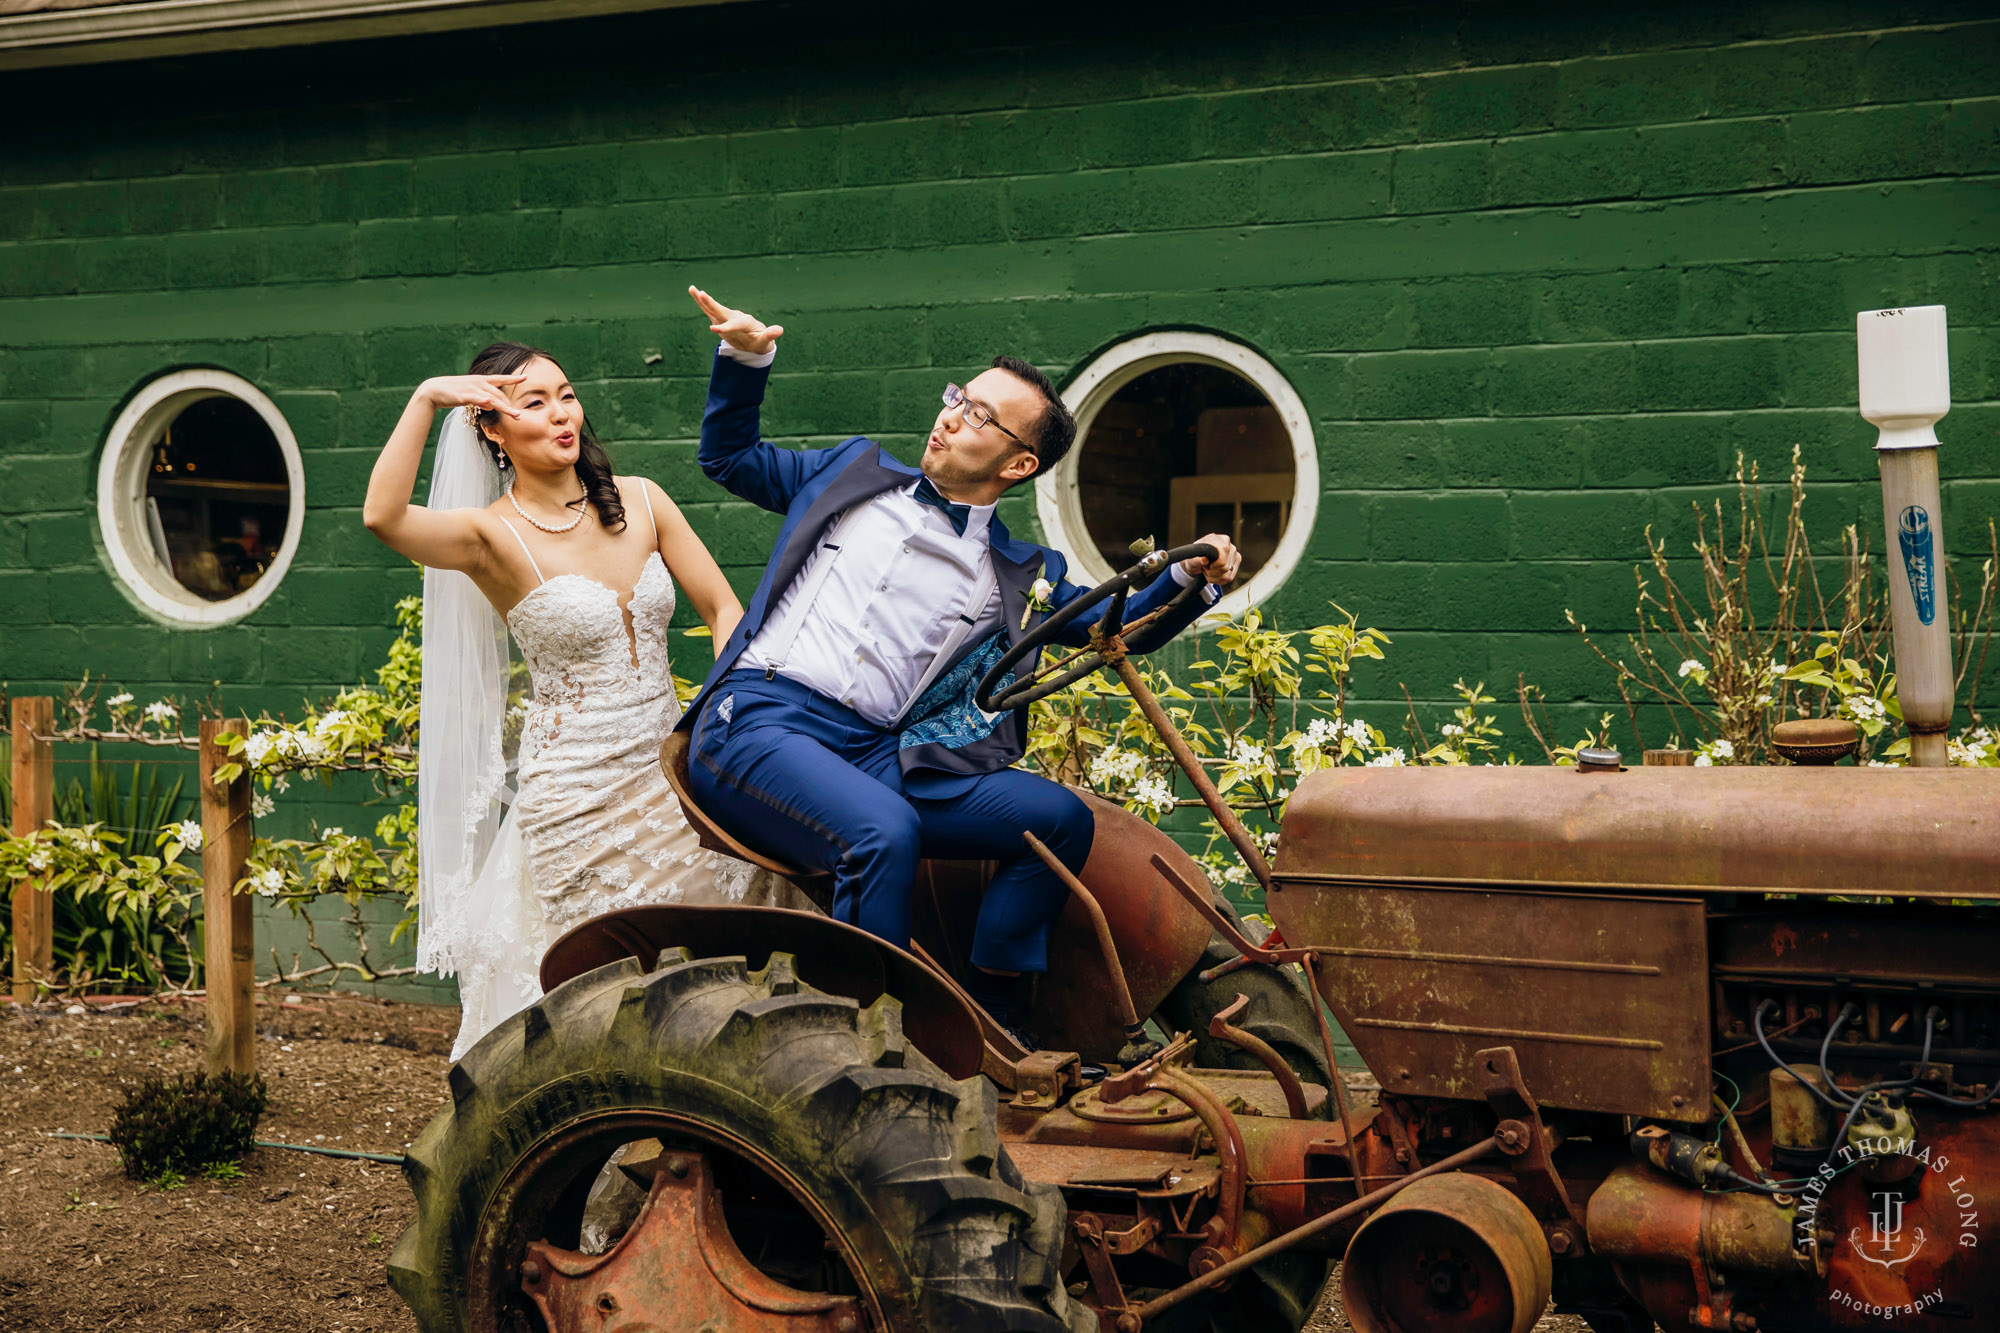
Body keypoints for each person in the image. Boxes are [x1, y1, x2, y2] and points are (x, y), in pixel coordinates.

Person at [681, 287, 1242, 1045]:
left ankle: (991, 1013)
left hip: (874, 750)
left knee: (1058, 821)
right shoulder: (853, 475)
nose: (950, 415)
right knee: (883, 833)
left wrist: (1191, 578)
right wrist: (746, 356)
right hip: (759, 719)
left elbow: (1123, 630)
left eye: (980, 414)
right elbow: (729, 457)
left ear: (1020, 461)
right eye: (959, 398)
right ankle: (872, 1050)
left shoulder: (1014, 570)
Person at [363, 341, 809, 1060]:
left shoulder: (641, 498)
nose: (561, 414)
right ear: (491, 429)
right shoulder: (488, 536)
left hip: (675, 767)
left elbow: (725, 607)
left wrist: (725, 708)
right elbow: (383, 517)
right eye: (532, 403)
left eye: (565, 394)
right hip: (578, 794)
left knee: (736, 944)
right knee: (632, 987)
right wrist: (426, 396)